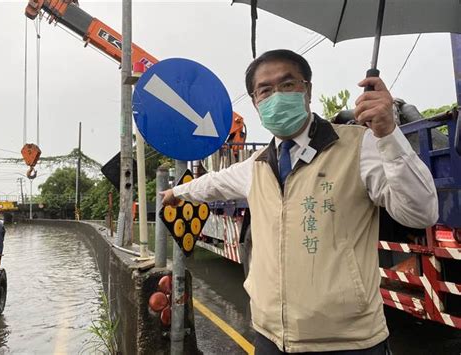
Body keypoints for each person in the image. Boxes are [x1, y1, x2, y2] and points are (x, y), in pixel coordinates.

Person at [161, 49, 438, 354]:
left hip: (348, 343)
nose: (276, 95)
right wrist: (177, 193)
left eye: (288, 84)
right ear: (256, 103)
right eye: (265, 90)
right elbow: (214, 182)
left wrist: (387, 134)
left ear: (307, 90)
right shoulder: (257, 165)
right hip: (269, 337)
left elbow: (421, 212)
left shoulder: (360, 146)